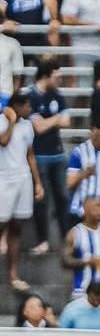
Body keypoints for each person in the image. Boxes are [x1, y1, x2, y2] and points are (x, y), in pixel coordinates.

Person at [27, 59, 69, 253]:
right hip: (39, 156)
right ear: (46, 75)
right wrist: (56, 120)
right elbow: (39, 128)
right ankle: (42, 240)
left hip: (58, 155)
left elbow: (66, 121)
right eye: (57, 76)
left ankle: (66, 239)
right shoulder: (31, 97)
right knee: (41, 200)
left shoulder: (57, 95)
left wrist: (48, 121)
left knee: (62, 197)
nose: (60, 80)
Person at [0, 90, 39, 290]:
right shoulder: (2, 121)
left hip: (23, 179)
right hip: (4, 179)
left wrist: (38, 182)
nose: (30, 109)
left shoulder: (28, 126)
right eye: (27, 106)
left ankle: (13, 275)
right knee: (2, 223)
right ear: (17, 106)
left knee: (16, 226)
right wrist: (12, 121)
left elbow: (30, 154)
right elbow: (4, 141)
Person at [62, 195, 100, 302]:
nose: (99, 210)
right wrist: (87, 261)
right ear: (85, 209)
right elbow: (65, 261)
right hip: (82, 291)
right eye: (95, 207)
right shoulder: (74, 233)